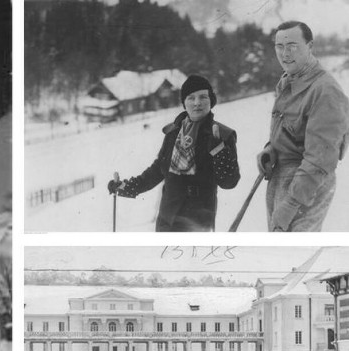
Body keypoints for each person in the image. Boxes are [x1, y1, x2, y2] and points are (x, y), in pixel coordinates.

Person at [108, 75, 240, 231]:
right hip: (167, 217)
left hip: (198, 220)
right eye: (191, 98)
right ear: (184, 103)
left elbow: (229, 182)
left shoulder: (222, 134)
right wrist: (126, 187)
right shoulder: (173, 132)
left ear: (211, 101)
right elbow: (158, 170)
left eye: (203, 97)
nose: (197, 103)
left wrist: (219, 150)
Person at [257, 21, 349, 232]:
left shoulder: (324, 90)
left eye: (292, 45)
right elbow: (293, 128)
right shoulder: (288, 81)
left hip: (307, 183)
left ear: (310, 46)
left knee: (294, 254)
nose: (285, 53)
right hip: (282, 177)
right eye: (279, 46)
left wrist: (289, 206)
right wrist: (272, 148)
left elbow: (320, 160)